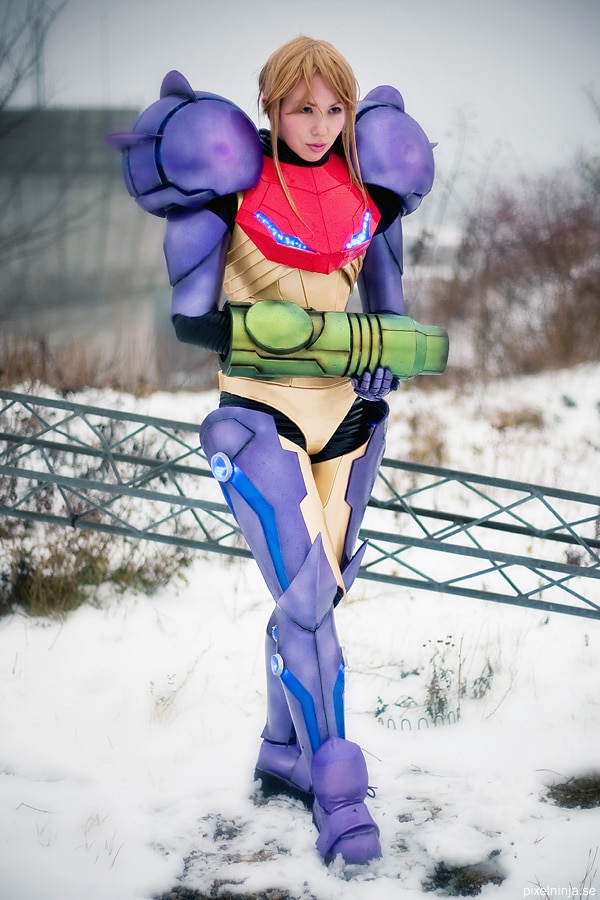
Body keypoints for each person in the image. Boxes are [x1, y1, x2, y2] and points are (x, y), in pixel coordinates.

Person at [108, 36, 443, 866]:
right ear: (271, 107)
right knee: (307, 600)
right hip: (260, 416)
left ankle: (281, 750)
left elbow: (392, 316)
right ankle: (339, 793)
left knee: (313, 601)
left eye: (334, 109)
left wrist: (382, 356)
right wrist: (272, 334)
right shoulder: (227, 185)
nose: (320, 125)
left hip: (348, 420)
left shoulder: (372, 193)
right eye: (302, 108)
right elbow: (191, 319)